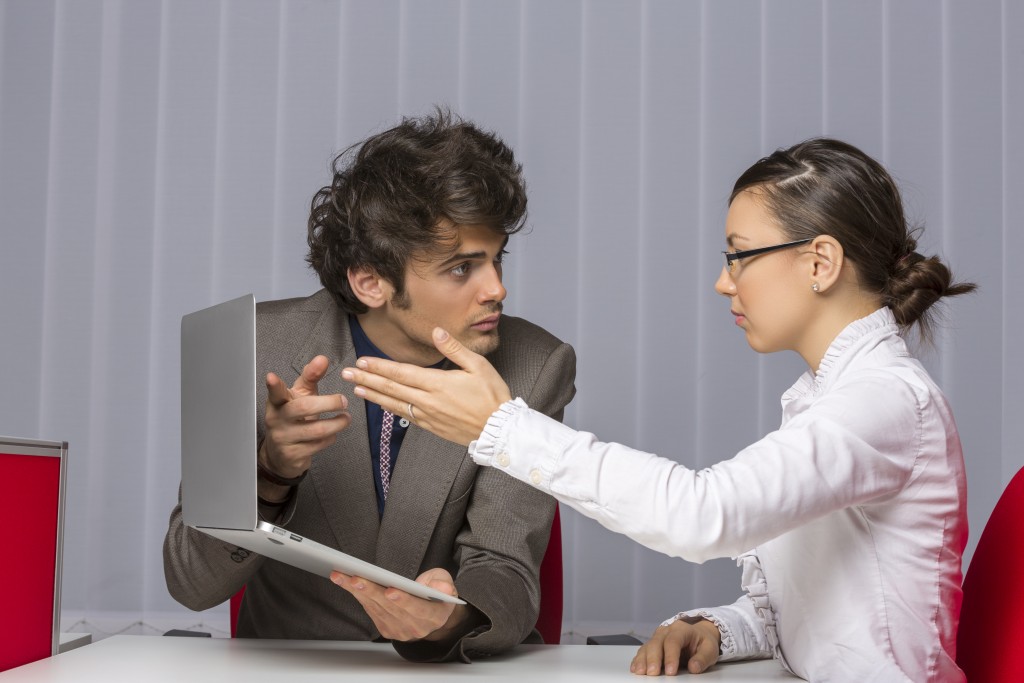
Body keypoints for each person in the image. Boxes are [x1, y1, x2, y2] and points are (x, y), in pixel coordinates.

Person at [341, 138, 975, 681]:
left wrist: (501, 427)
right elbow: (833, 610)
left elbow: (704, 515)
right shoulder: (830, 397)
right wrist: (720, 629)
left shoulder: (882, 401)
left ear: (820, 261)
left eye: (740, 254)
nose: (725, 282)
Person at [163, 109, 577, 663]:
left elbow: (506, 570)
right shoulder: (252, 345)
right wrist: (270, 470)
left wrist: (446, 618)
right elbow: (191, 583)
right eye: (462, 268)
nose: (497, 288)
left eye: (497, 260)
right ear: (370, 281)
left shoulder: (533, 365)